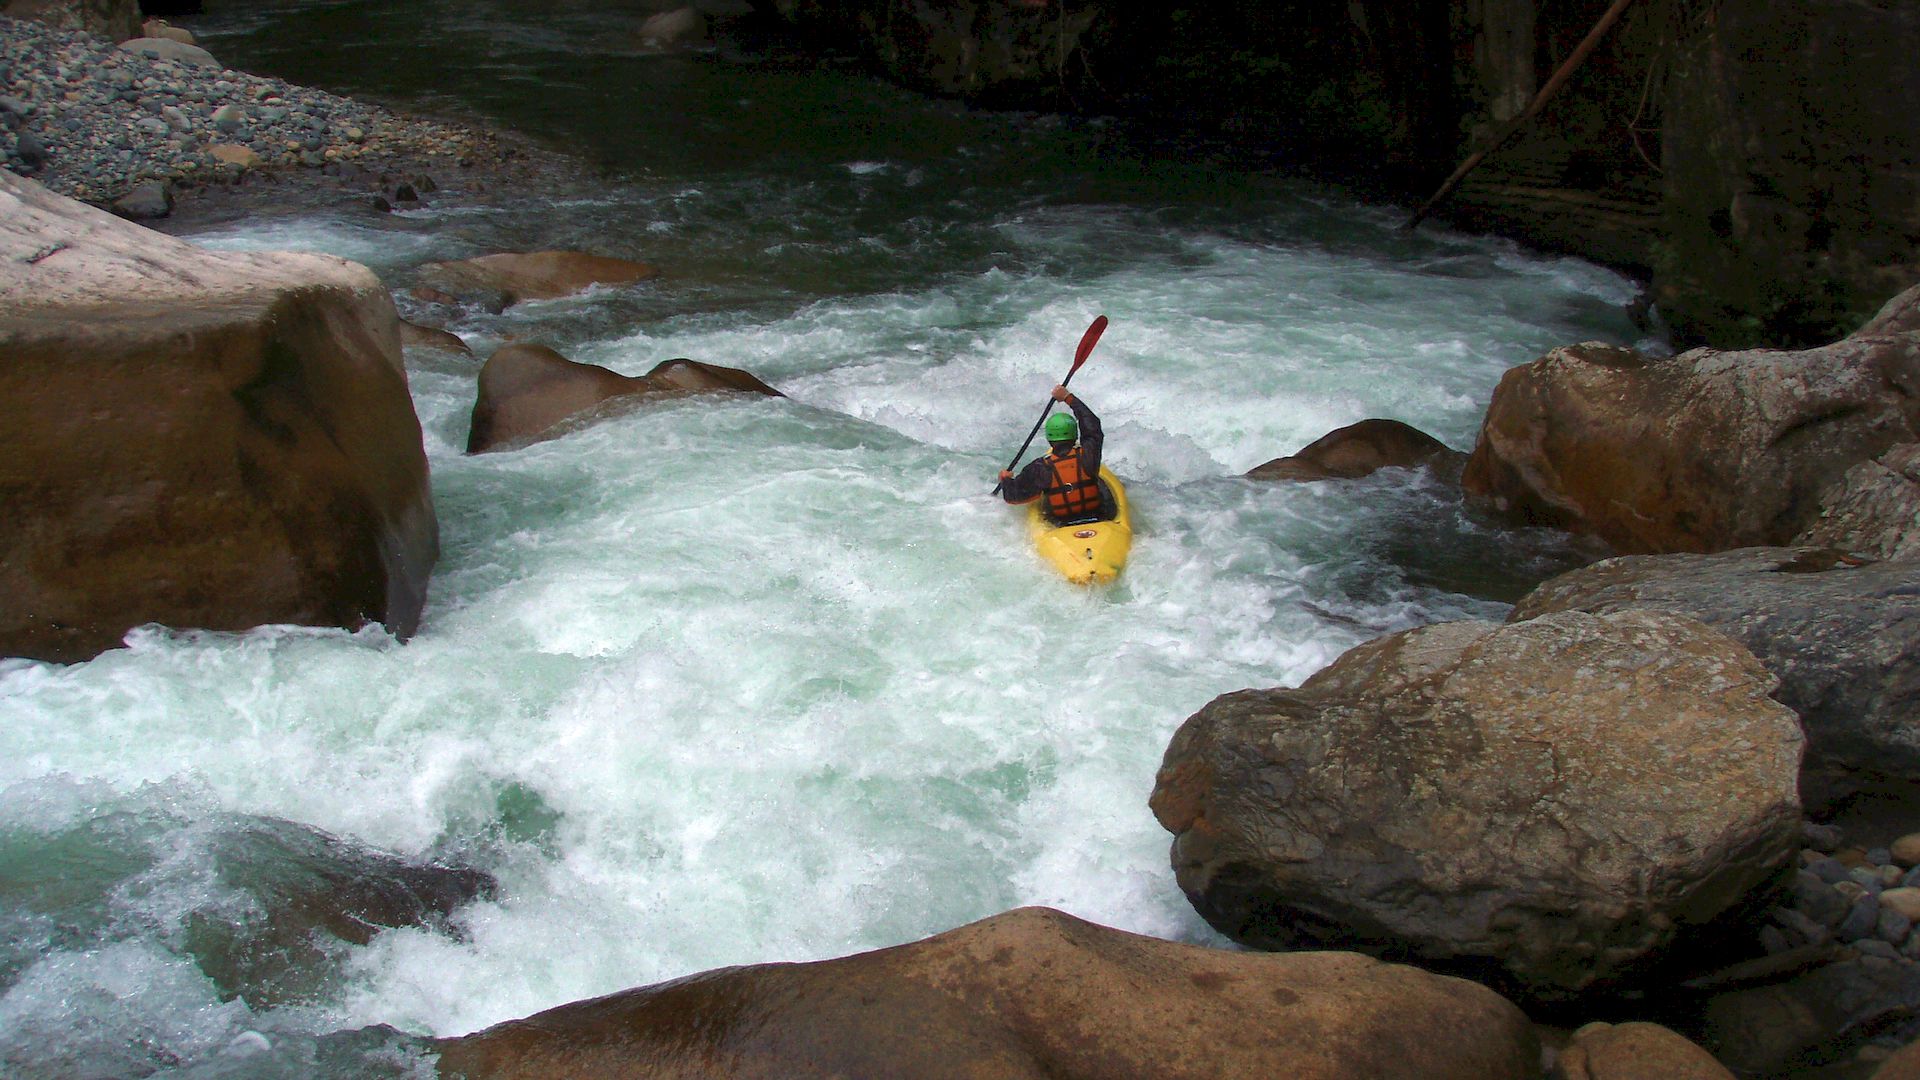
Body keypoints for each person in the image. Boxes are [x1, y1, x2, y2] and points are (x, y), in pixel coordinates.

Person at [998, 385, 1109, 524]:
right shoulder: (1088, 454)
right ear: (1075, 435)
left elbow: (1013, 496)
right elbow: (1092, 426)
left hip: (1061, 524)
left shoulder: (1040, 467)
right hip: (1095, 516)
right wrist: (1068, 398)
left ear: (1049, 439)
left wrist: (1005, 480)